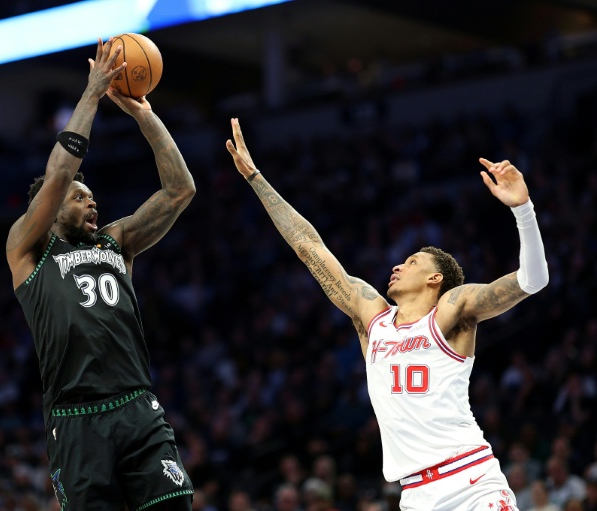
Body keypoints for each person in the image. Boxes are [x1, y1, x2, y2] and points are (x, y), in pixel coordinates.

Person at [225, 118, 549, 511]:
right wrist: (257, 178)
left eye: (412, 261)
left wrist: (524, 211)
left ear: (435, 278)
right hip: (414, 495)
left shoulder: (452, 311)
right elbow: (309, 246)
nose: (398, 265)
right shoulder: (372, 317)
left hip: (471, 482)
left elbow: (533, 281)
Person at [6, 39, 196, 511]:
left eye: (91, 195)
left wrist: (142, 114)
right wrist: (92, 94)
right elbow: (57, 176)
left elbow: (179, 190)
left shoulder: (116, 241)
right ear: (48, 212)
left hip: (136, 404)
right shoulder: (30, 249)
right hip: (75, 417)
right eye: (79, 196)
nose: (91, 201)